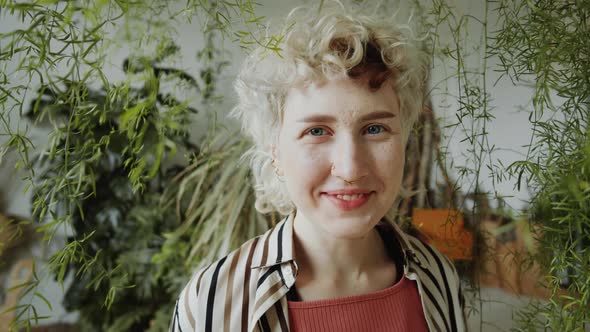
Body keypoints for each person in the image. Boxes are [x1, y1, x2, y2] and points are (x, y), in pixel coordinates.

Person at [169, 1, 466, 331]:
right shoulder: (215, 300)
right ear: (275, 150)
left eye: (375, 129)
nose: (351, 169)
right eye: (316, 131)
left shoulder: (437, 278)